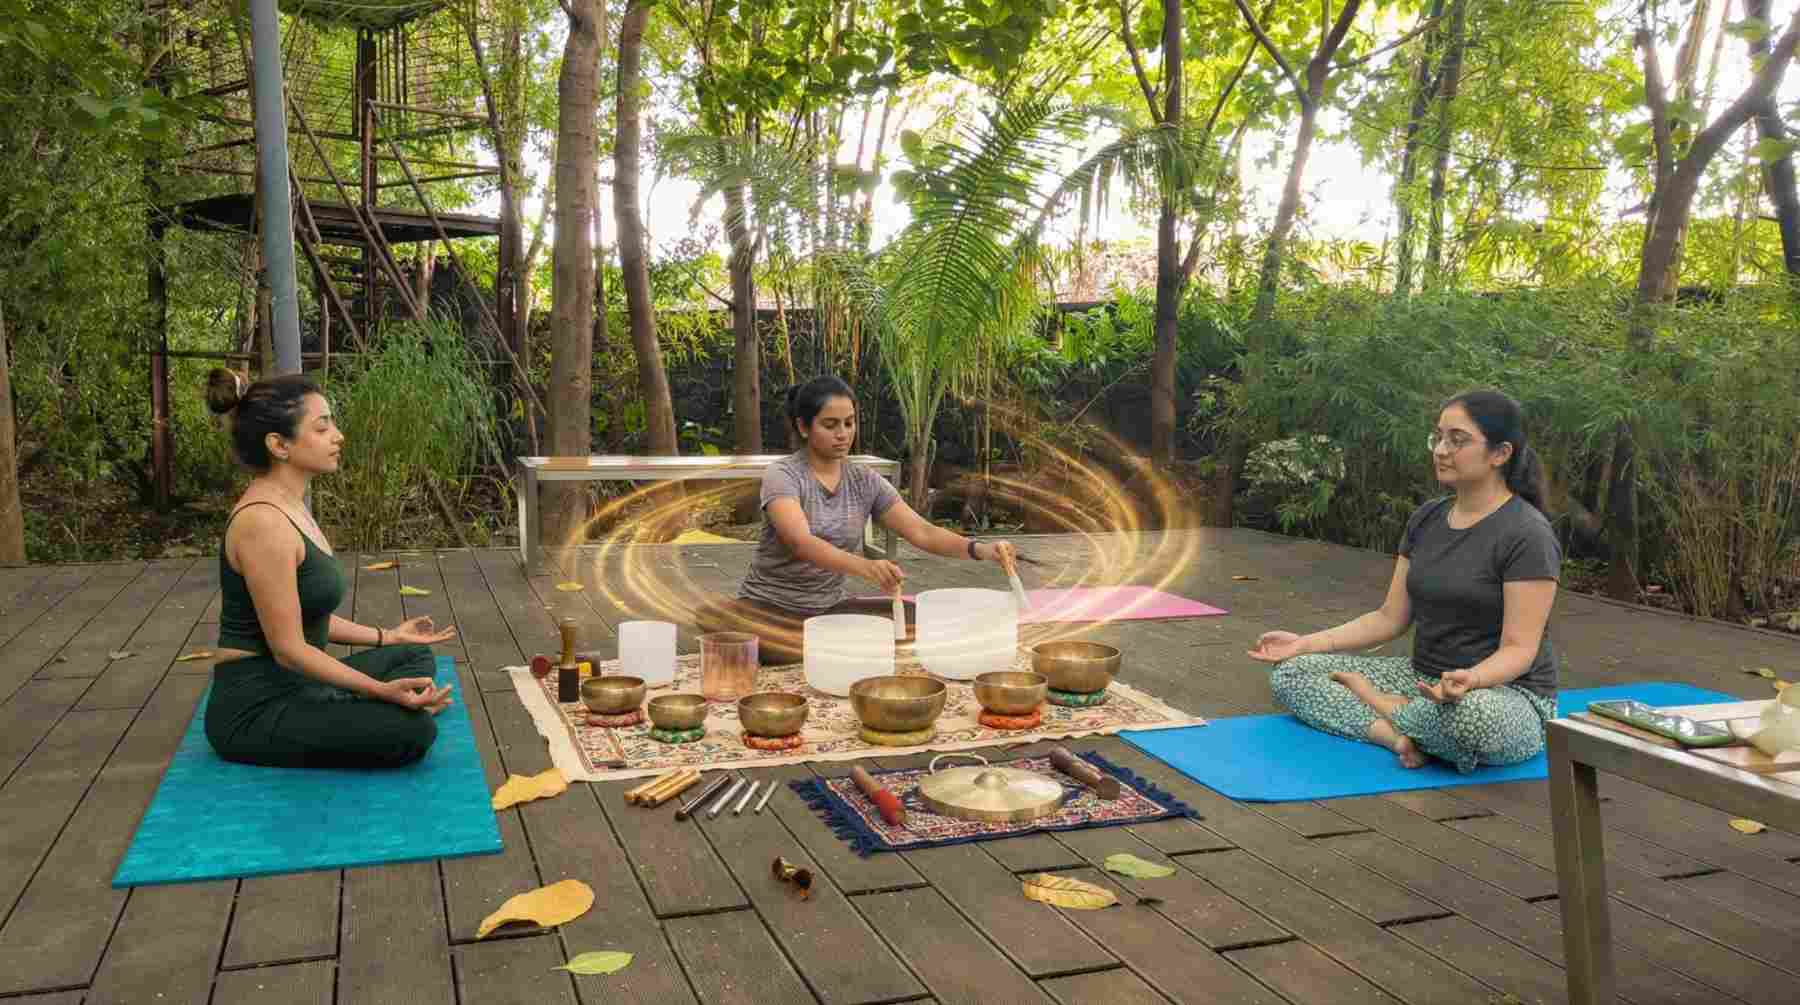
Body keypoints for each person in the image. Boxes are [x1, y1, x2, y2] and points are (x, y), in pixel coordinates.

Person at [1248, 389, 1561, 773]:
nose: (1441, 450)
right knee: (1293, 673)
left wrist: (1472, 679)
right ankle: (1396, 737)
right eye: (1438, 437)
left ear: (1500, 453)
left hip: (1502, 694)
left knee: (1473, 718)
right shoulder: (1427, 518)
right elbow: (1389, 618)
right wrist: (1304, 644)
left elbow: (1519, 649)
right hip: (1420, 679)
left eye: (1457, 440)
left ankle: (1381, 704)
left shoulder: (1527, 533)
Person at [202, 369, 459, 768]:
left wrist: (389, 636)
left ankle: (346, 702)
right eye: (322, 428)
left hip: (302, 683)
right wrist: (378, 691)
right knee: (414, 732)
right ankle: (360, 706)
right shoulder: (263, 523)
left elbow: (307, 615)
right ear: (279, 445)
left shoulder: (291, 505)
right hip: (256, 708)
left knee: (413, 655)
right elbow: (289, 650)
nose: (338, 436)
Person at [696, 375, 1019, 664]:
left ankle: (825, 645)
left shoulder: (865, 480)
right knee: (745, 630)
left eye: (849, 423)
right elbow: (801, 542)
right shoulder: (783, 475)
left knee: (920, 619)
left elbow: (922, 531)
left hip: (829, 611)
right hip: (770, 608)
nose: (843, 434)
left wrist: (981, 550)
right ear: (803, 427)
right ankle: (815, 644)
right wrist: (866, 567)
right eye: (830, 425)